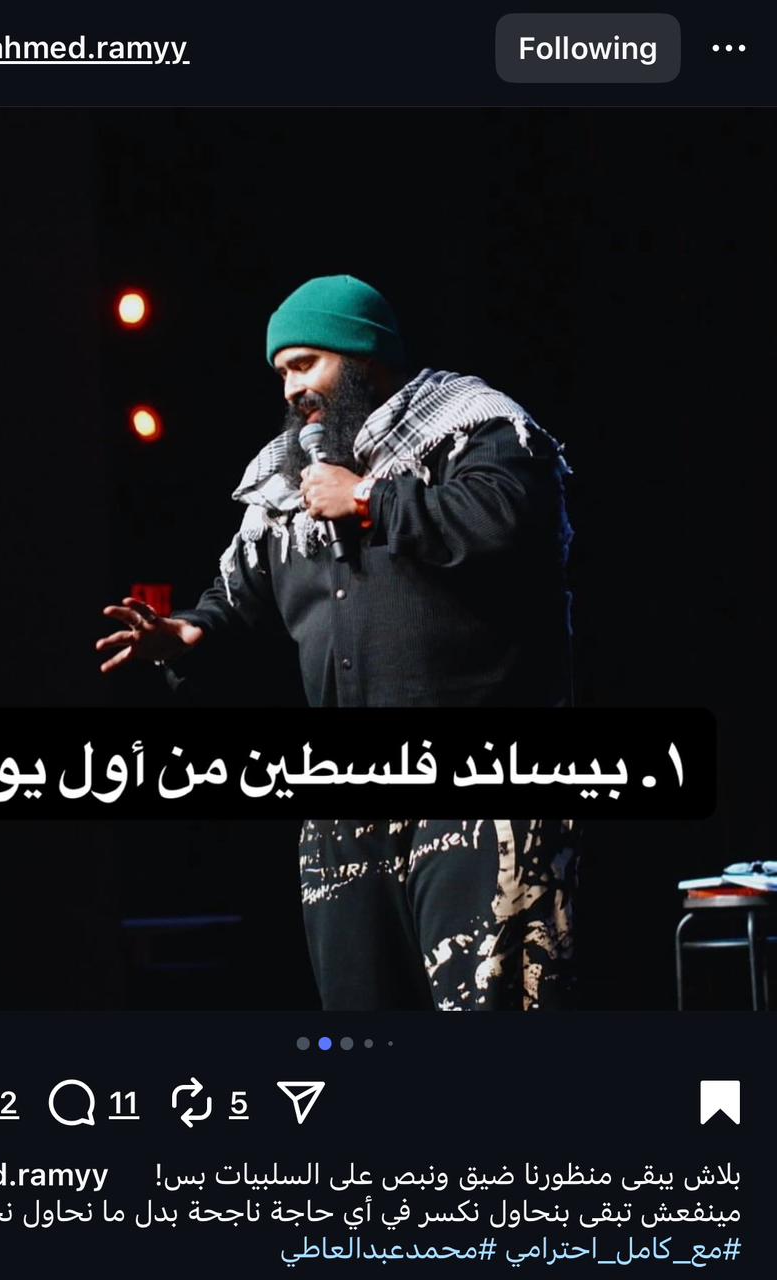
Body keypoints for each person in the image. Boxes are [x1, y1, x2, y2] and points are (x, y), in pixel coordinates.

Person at [98, 274, 579, 1011]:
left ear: (362, 355)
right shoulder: (285, 483)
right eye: (281, 373)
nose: (292, 389)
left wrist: (367, 497)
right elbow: (237, 601)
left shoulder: (473, 425)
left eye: (305, 364)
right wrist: (190, 632)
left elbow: (504, 522)